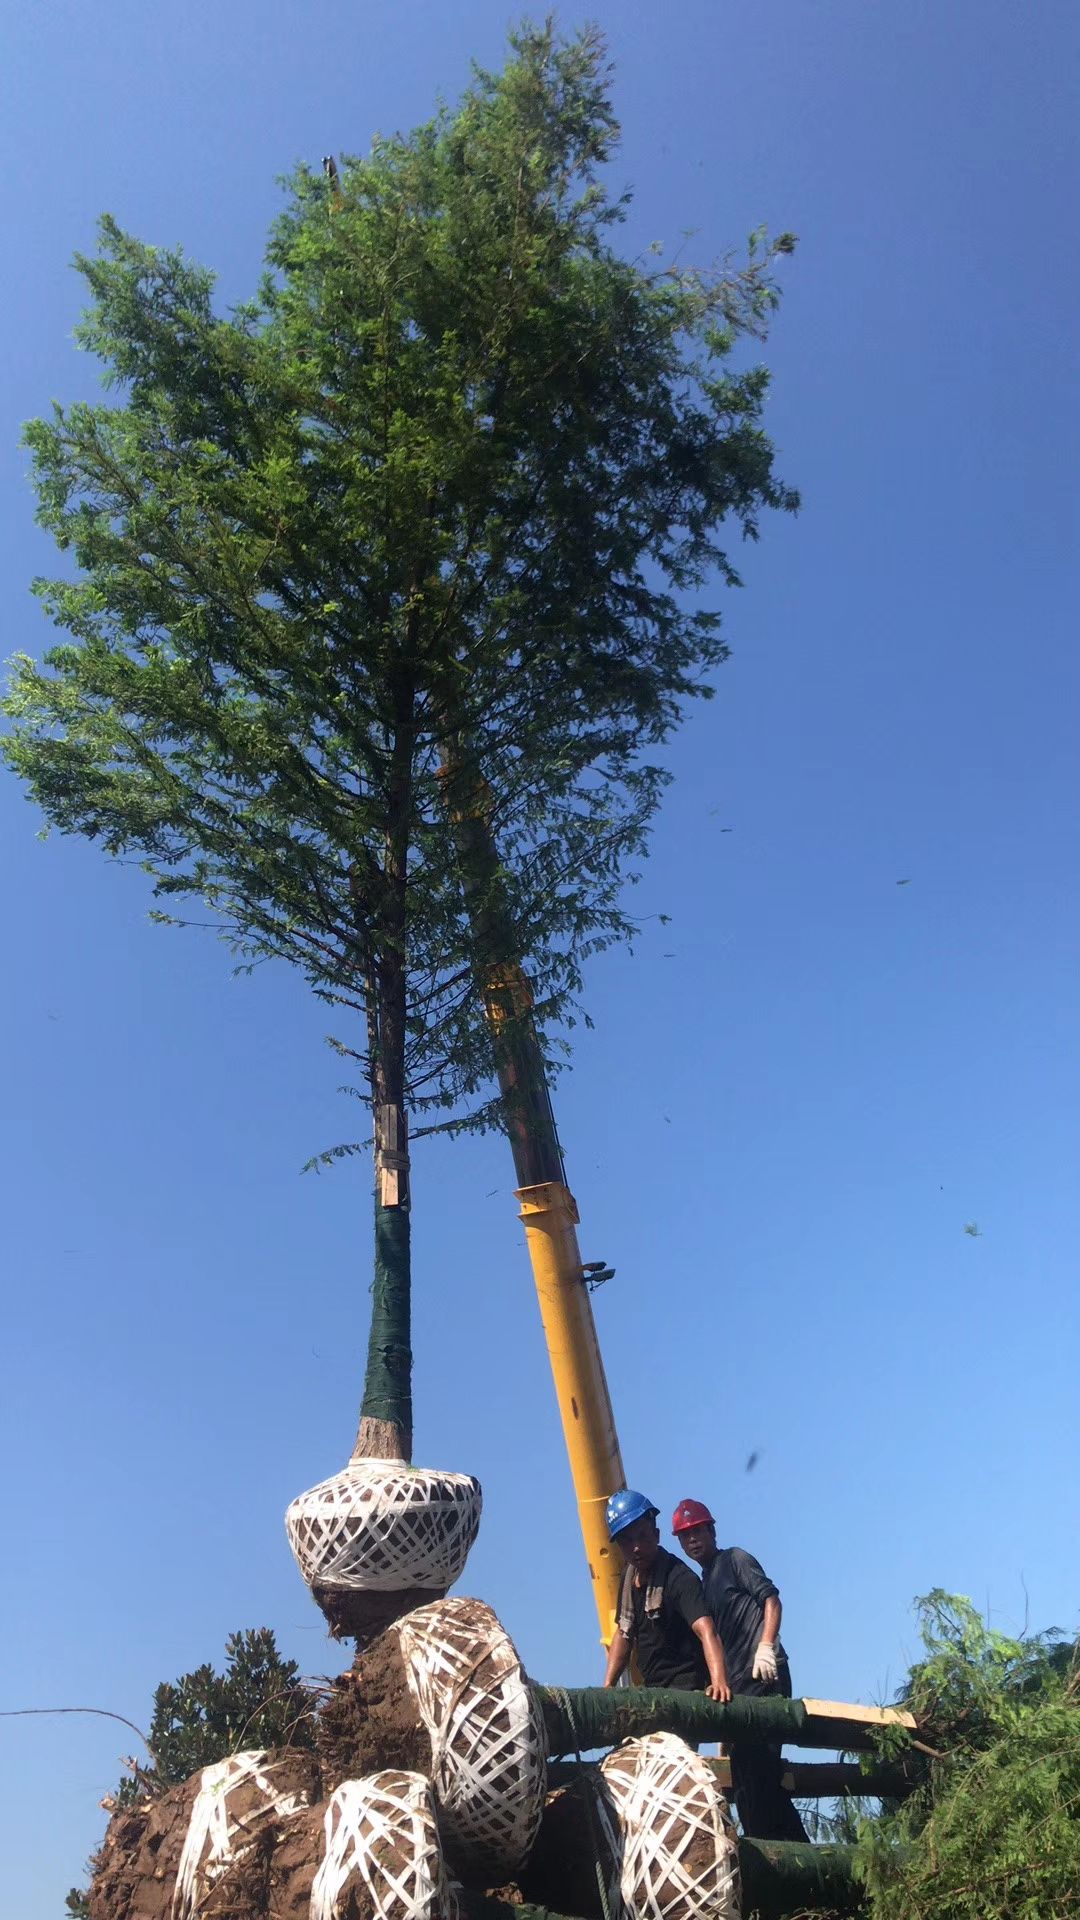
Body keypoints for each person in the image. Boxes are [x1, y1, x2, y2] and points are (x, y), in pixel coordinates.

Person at [672, 1497, 809, 1844]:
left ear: (712, 1530)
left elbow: (772, 1600)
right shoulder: (703, 1586)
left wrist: (766, 1645)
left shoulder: (735, 1560)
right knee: (750, 1782)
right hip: (740, 1690)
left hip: (765, 1676)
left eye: (698, 1531)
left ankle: (788, 1854)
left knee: (758, 1773)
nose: (693, 1540)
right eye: (685, 1536)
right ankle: (784, 1854)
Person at [601, 1489, 731, 1701]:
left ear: (657, 1535)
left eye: (642, 1536)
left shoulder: (679, 1578)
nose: (635, 1547)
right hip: (654, 1690)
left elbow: (707, 1630)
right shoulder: (628, 1577)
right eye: (626, 1541)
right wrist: (607, 1687)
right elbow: (624, 1632)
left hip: (689, 1690)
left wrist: (719, 1683)